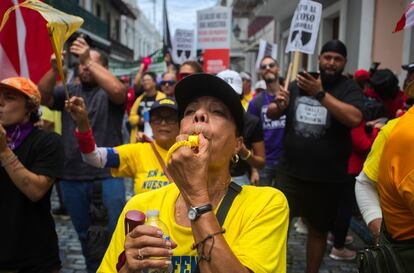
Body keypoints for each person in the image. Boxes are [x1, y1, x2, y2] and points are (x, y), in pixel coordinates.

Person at [98, 73, 289, 273]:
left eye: (217, 111)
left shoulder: (265, 205)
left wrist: (196, 197)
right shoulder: (140, 207)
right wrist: (129, 269)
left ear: (237, 145)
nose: (199, 115)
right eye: (190, 111)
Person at [269, 40, 365, 273]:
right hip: (290, 173)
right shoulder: (298, 83)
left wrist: (319, 94)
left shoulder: (348, 88)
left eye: (337, 59)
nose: (331, 63)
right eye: (327, 57)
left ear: (344, 63)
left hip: (327, 178)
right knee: (275, 226)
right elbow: (272, 113)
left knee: (318, 231)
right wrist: (279, 106)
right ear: (319, 58)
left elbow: (354, 118)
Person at [38, 36, 127, 273]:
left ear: (103, 68)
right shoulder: (70, 90)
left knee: (112, 239)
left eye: (90, 63)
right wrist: (54, 70)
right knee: (85, 238)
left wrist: (88, 57)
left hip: (108, 176)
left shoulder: (109, 93)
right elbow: (42, 97)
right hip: (72, 178)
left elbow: (119, 91)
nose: (84, 67)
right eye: (82, 63)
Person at [0, 77, 64, 273]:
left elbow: (36, 191)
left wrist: (4, 151)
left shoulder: (48, 142)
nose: (0, 103)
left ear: (29, 108)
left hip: (33, 258)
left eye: (9, 98)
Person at [68, 97, 180, 195]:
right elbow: (94, 157)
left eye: (171, 118)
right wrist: (83, 123)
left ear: (181, 122)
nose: (163, 123)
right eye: (157, 118)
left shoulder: (192, 151)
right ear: (149, 123)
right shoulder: (138, 151)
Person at [217, 69, 265, 186]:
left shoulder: (251, 122)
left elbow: (260, 162)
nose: (227, 100)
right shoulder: (204, 119)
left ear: (240, 95)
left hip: (239, 180)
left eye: (232, 95)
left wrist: (244, 152)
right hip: (210, 179)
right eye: (221, 94)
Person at [247, 56, 286, 186]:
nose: (268, 68)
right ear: (261, 73)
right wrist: (254, 170)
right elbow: (250, 137)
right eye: (264, 67)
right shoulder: (255, 103)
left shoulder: (289, 97)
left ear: (278, 69)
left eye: (271, 65)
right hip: (264, 163)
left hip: (286, 162)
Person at [129, 71, 166, 143]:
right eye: (144, 80)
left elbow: (163, 115)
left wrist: (151, 119)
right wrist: (140, 120)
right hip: (139, 139)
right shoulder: (139, 99)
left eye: (148, 80)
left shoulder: (162, 97)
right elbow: (131, 118)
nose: (145, 82)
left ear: (155, 82)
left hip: (155, 138)